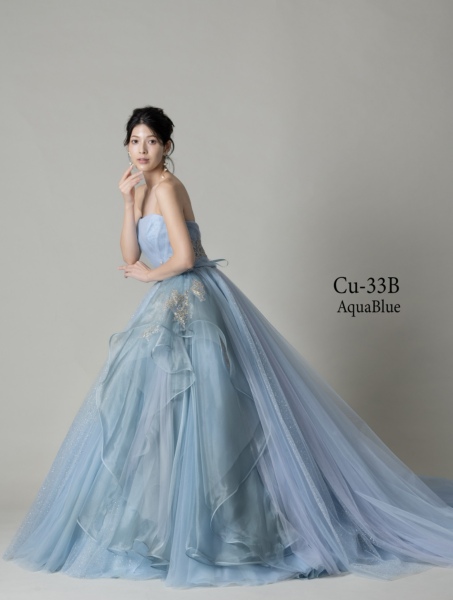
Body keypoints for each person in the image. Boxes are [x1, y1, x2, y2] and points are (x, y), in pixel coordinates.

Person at [3, 106, 453, 589]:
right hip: (164, 303)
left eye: (151, 141)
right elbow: (130, 255)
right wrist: (128, 202)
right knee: (164, 415)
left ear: (167, 147)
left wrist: (151, 277)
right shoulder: (144, 189)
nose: (142, 149)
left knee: (212, 414)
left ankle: (230, 530)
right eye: (134, 140)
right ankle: (172, 529)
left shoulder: (169, 187)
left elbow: (183, 257)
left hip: (192, 302)